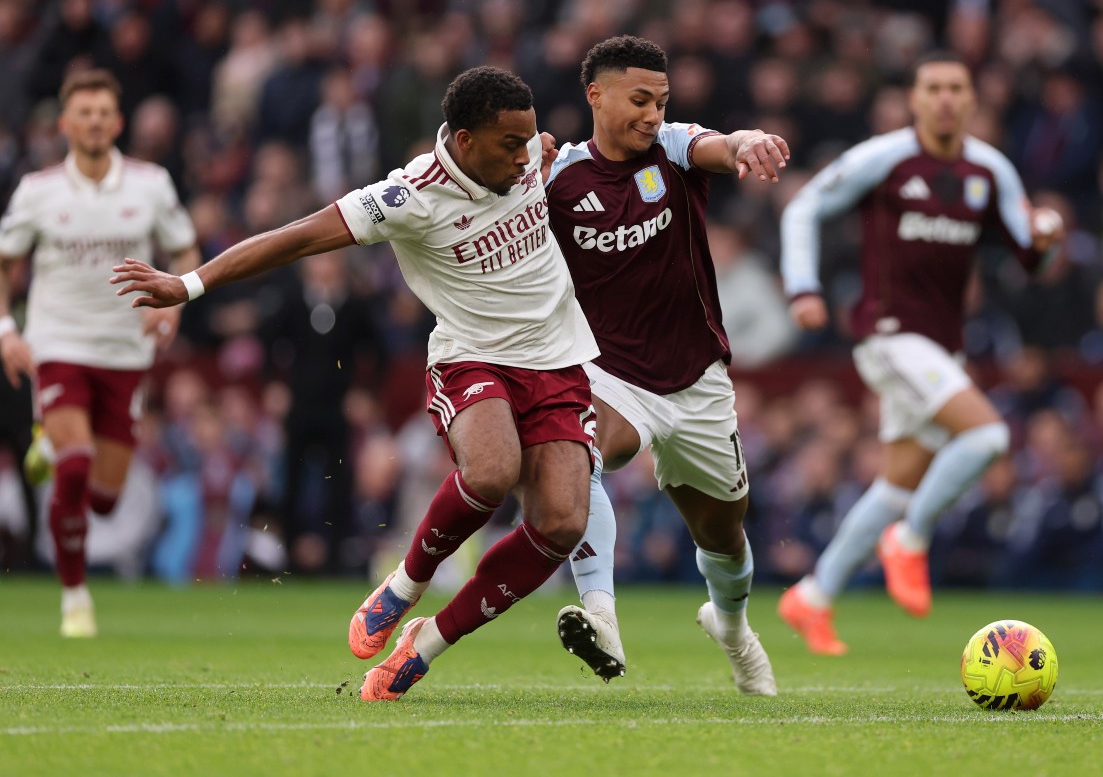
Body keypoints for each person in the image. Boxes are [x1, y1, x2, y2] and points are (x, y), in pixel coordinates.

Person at [111, 67, 600, 701]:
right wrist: (190, 284)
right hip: (473, 355)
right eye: (510, 143)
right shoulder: (409, 197)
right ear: (463, 139)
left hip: (557, 360)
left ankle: (426, 643)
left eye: (528, 139)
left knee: (562, 525)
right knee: (490, 471)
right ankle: (403, 585)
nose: (524, 153)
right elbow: (296, 239)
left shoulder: (528, 150)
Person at [776, 51, 1063, 655]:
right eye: (933, 88)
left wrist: (1046, 237)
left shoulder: (990, 170)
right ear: (915, 99)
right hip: (889, 335)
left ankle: (813, 595)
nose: (945, 99)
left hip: (942, 348)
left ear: (972, 99)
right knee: (988, 439)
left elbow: (1029, 254)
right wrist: (803, 287)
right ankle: (910, 541)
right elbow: (803, 205)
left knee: (897, 485)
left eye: (957, 88)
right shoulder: (883, 158)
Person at [544, 35, 789, 696]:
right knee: (585, 448)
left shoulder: (672, 150)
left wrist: (746, 142)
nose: (653, 114)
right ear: (595, 96)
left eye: (661, 100)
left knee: (724, 534)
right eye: (639, 99)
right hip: (609, 371)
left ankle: (733, 628)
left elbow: (718, 143)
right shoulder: (559, 179)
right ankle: (601, 616)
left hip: (696, 378)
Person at [0, 68, 200, 637]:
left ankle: (53, 449)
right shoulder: (38, 191)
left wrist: (174, 302)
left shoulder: (151, 184)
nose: (92, 121)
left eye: (102, 112)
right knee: (77, 460)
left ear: (117, 122)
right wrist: (5, 331)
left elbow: (185, 245)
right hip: (57, 343)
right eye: (82, 112)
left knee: (106, 499)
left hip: (125, 350)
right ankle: (74, 596)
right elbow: (5, 260)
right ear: (65, 123)